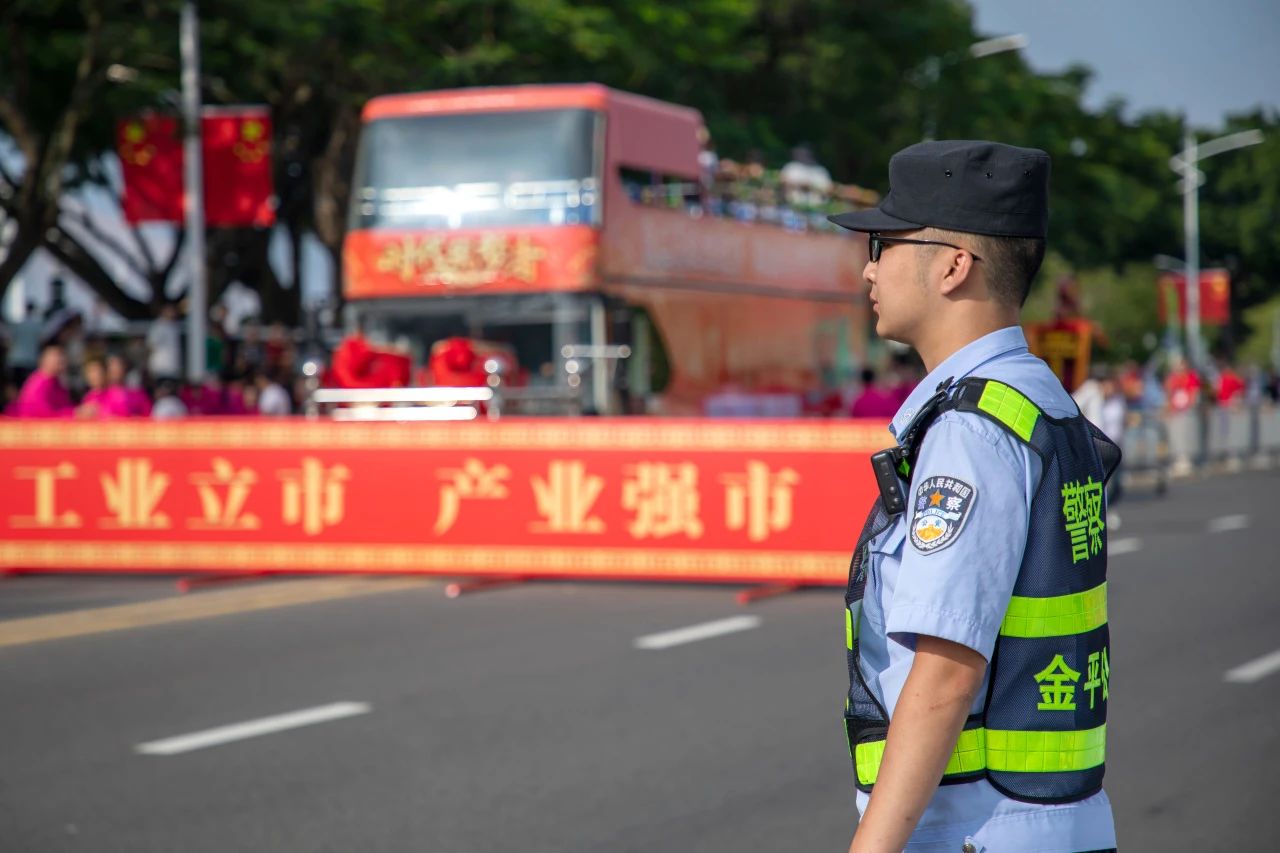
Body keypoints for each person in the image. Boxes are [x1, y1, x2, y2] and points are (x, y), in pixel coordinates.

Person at [828, 141, 1118, 852]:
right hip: (1049, 818)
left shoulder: (971, 430)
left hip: (976, 828)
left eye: (884, 245)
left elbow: (945, 675)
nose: (869, 268)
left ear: (954, 266)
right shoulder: (1040, 399)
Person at [8, 344, 97, 418]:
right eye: (57, 358)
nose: (61, 361)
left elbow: (64, 406)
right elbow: (44, 414)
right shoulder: (39, 384)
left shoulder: (57, 383)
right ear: (44, 361)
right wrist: (75, 413)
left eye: (62, 357)